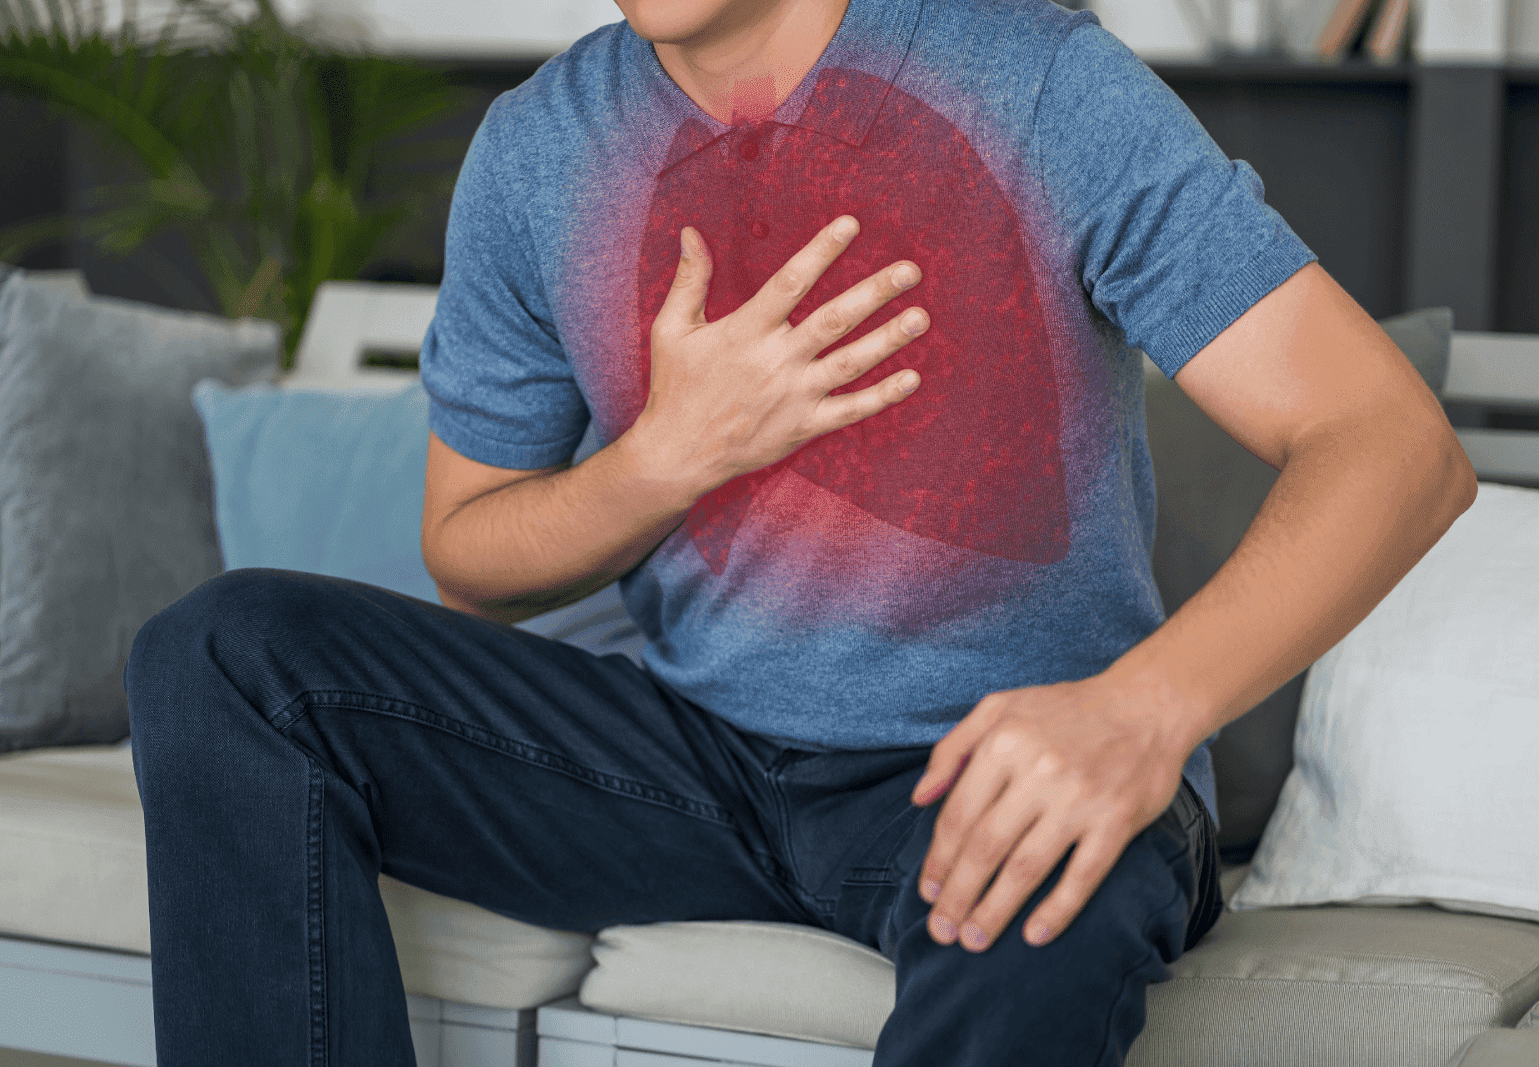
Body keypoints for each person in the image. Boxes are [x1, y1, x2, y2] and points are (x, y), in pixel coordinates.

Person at [124, 0, 1478, 1063]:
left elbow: (1393, 448)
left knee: (1044, 895)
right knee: (225, 653)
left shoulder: (1040, 84)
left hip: (984, 764)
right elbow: (466, 550)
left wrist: (1140, 716)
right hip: (691, 760)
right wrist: (664, 460)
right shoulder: (540, 150)